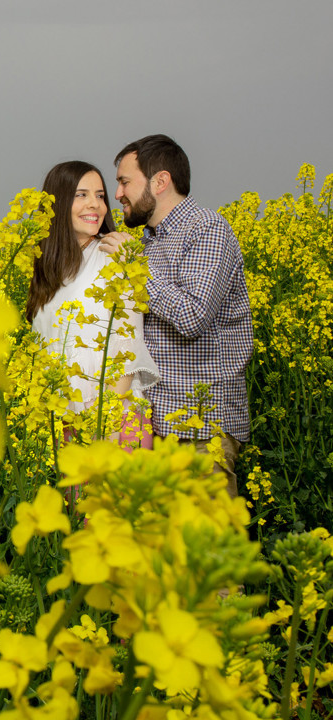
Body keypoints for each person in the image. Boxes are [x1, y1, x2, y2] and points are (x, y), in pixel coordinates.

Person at [98, 135, 253, 497]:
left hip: (202, 429)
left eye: (124, 182)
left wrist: (135, 267)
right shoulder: (149, 242)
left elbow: (192, 316)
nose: (117, 194)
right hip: (156, 425)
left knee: (205, 533)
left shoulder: (207, 229)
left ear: (160, 181)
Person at [27, 160, 160, 446]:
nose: (95, 205)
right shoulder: (47, 269)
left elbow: (126, 348)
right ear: (56, 203)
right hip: (63, 425)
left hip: (111, 425)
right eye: (81, 195)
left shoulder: (114, 255)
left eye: (100, 195)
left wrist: (103, 431)